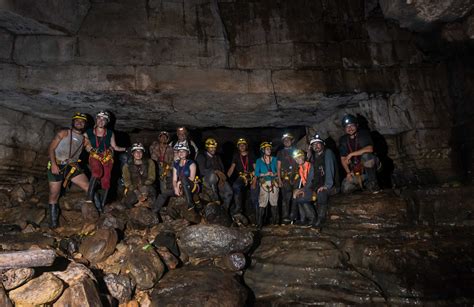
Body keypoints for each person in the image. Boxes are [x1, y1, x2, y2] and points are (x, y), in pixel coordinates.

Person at [46, 112, 90, 228]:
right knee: (54, 194)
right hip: (57, 164)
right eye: (77, 121)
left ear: (85, 124)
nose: (79, 123)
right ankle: (53, 224)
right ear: (73, 122)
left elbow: (92, 150)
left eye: (82, 121)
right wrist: (54, 164)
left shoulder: (84, 140)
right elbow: (51, 149)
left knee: (89, 187)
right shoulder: (63, 133)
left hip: (72, 166)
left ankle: (99, 211)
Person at [84, 110, 126, 213]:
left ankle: (102, 205)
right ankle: (89, 198)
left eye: (104, 119)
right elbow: (86, 144)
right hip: (95, 155)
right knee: (97, 172)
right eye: (99, 118)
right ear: (96, 119)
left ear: (107, 122)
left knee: (106, 180)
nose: (101, 121)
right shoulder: (88, 132)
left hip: (107, 157)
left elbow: (115, 147)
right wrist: (88, 147)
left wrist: (126, 149)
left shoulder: (110, 133)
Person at [339, 114, 380, 193]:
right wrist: (348, 172)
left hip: (370, 165)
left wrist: (351, 154)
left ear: (357, 125)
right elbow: (343, 158)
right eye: (347, 127)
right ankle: (363, 184)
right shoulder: (343, 140)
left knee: (366, 156)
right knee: (345, 188)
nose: (350, 128)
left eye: (352, 126)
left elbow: (370, 149)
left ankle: (373, 183)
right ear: (344, 129)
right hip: (357, 169)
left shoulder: (363, 134)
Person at [310, 133, 340, 227]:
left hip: (332, 186)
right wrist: (305, 189)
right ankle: (311, 219)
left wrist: (326, 186)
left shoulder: (328, 153)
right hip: (318, 186)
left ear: (323, 144)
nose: (316, 146)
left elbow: (329, 169)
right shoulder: (314, 158)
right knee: (301, 198)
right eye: (314, 145)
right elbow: (311, 176)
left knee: (321, 193)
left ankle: (321, 219)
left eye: (318, 143)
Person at [196, 138, 233, 208]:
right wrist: (215, 171)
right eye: (211, 148)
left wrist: (222, 176)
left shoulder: (217, 157)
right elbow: (202, 170)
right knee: (213, 176)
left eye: (214, 147)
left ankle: (225, 209)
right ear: (207, 147)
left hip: (218, 178)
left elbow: (222, 169)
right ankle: (216, 197)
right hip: (206, 179)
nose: (213, 149)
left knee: (229, 192)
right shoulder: (201, 156)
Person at [227, 138, 258, 219]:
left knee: (255, 194)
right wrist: (226, 178)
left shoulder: (251, 154)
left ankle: (257, 214)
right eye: (240, 145)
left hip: (252, 175)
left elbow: (256, 168)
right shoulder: (236, 155)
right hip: (242, 176)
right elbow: (232, 168)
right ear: (238, 147)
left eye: (243, 145)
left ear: (246, 146)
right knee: (236, 186)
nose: (242, 146)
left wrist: (255, 180)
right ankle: (238, 209)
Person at [121, 143, 157, 208]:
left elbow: (152, 177)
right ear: (132, 153)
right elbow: (127, 181)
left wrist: (145, 186)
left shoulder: (150, 162)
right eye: (136, 152)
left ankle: (151, 209)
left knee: (152, 194)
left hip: (146, 186)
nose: (138, 154)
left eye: (140, 151)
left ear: (143, 153)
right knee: (129, 202)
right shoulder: (127, 166)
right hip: (133, 188)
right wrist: (136, 191)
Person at [255, 142, 279, 228]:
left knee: (274, 202)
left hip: (274, 182)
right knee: (262, 203)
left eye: (269, 149)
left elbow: (279, 171)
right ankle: (259, 223)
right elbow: (256, 173)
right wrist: (265, 174)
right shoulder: (259, 161)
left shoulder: (275, 159)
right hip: (264, 183)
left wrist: (274, 173)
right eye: (267, 149)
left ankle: (275, 223)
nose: (269, 150)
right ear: (263, 150)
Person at [150, 131, 175, 214]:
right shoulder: (154, 147)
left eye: (165, 137)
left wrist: (166, 166)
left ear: (167, 139)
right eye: (162, 137)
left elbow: (172, 161)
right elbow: (152, 158)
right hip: (156, 169)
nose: (163, 138)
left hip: (166, 170)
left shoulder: (170, 149)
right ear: (159, 138)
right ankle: (154, 205)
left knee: (165, 188)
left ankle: (162, 205)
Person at [277, 133, 298, 224]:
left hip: (296, 176)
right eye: (285, 140)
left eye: (288, 139)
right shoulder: (280, 152)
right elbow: (278, 167)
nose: (286, 141)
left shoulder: (296, 150)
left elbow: (301, 162)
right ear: (283, 142)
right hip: (285, 177)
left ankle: (294, 216)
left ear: (291, 141)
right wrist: (279, 179)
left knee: (296, 195)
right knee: (286, 197)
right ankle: (285, 217)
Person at [292, 149, 316, 226]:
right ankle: (303, 219)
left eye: (299, 157)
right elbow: (300, 181)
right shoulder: (300, 168)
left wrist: (302, 190)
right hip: (307, 187)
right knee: (297, 197)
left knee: (303, 198)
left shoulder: (310, 165)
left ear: (303, 157)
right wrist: (296, 190)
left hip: (313, 187)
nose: (298, 160)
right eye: (296, 159)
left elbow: (311, 181)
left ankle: (312, 218)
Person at [172, 143, 199, 209]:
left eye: (183, 151)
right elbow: (174, 179)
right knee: (165, 194)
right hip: (182, 185)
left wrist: (179, 183)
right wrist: (175, 188)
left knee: (184, 178)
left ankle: (190, 203)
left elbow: (192, 178)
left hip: (192, 186)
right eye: (179, 151)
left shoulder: (191, 163)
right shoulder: (176, 164)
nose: (181, 153)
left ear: (187, 153)